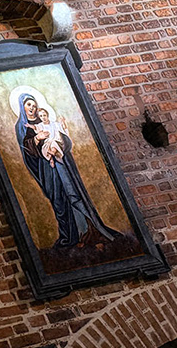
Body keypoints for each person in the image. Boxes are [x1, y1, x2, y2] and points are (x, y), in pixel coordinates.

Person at [12, 88, 130, 251]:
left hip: (63, 164)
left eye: (34, 104)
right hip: (47, 169)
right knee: (59, 200)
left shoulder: (46, 120)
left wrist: (61, 137)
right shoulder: (22, 126)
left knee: (74, 193)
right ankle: (69, 237)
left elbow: (64, 140)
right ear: (22, 107)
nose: (32, 108)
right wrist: (37, 139)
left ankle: (90, 231)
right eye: (28, 105)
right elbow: (26, 151)